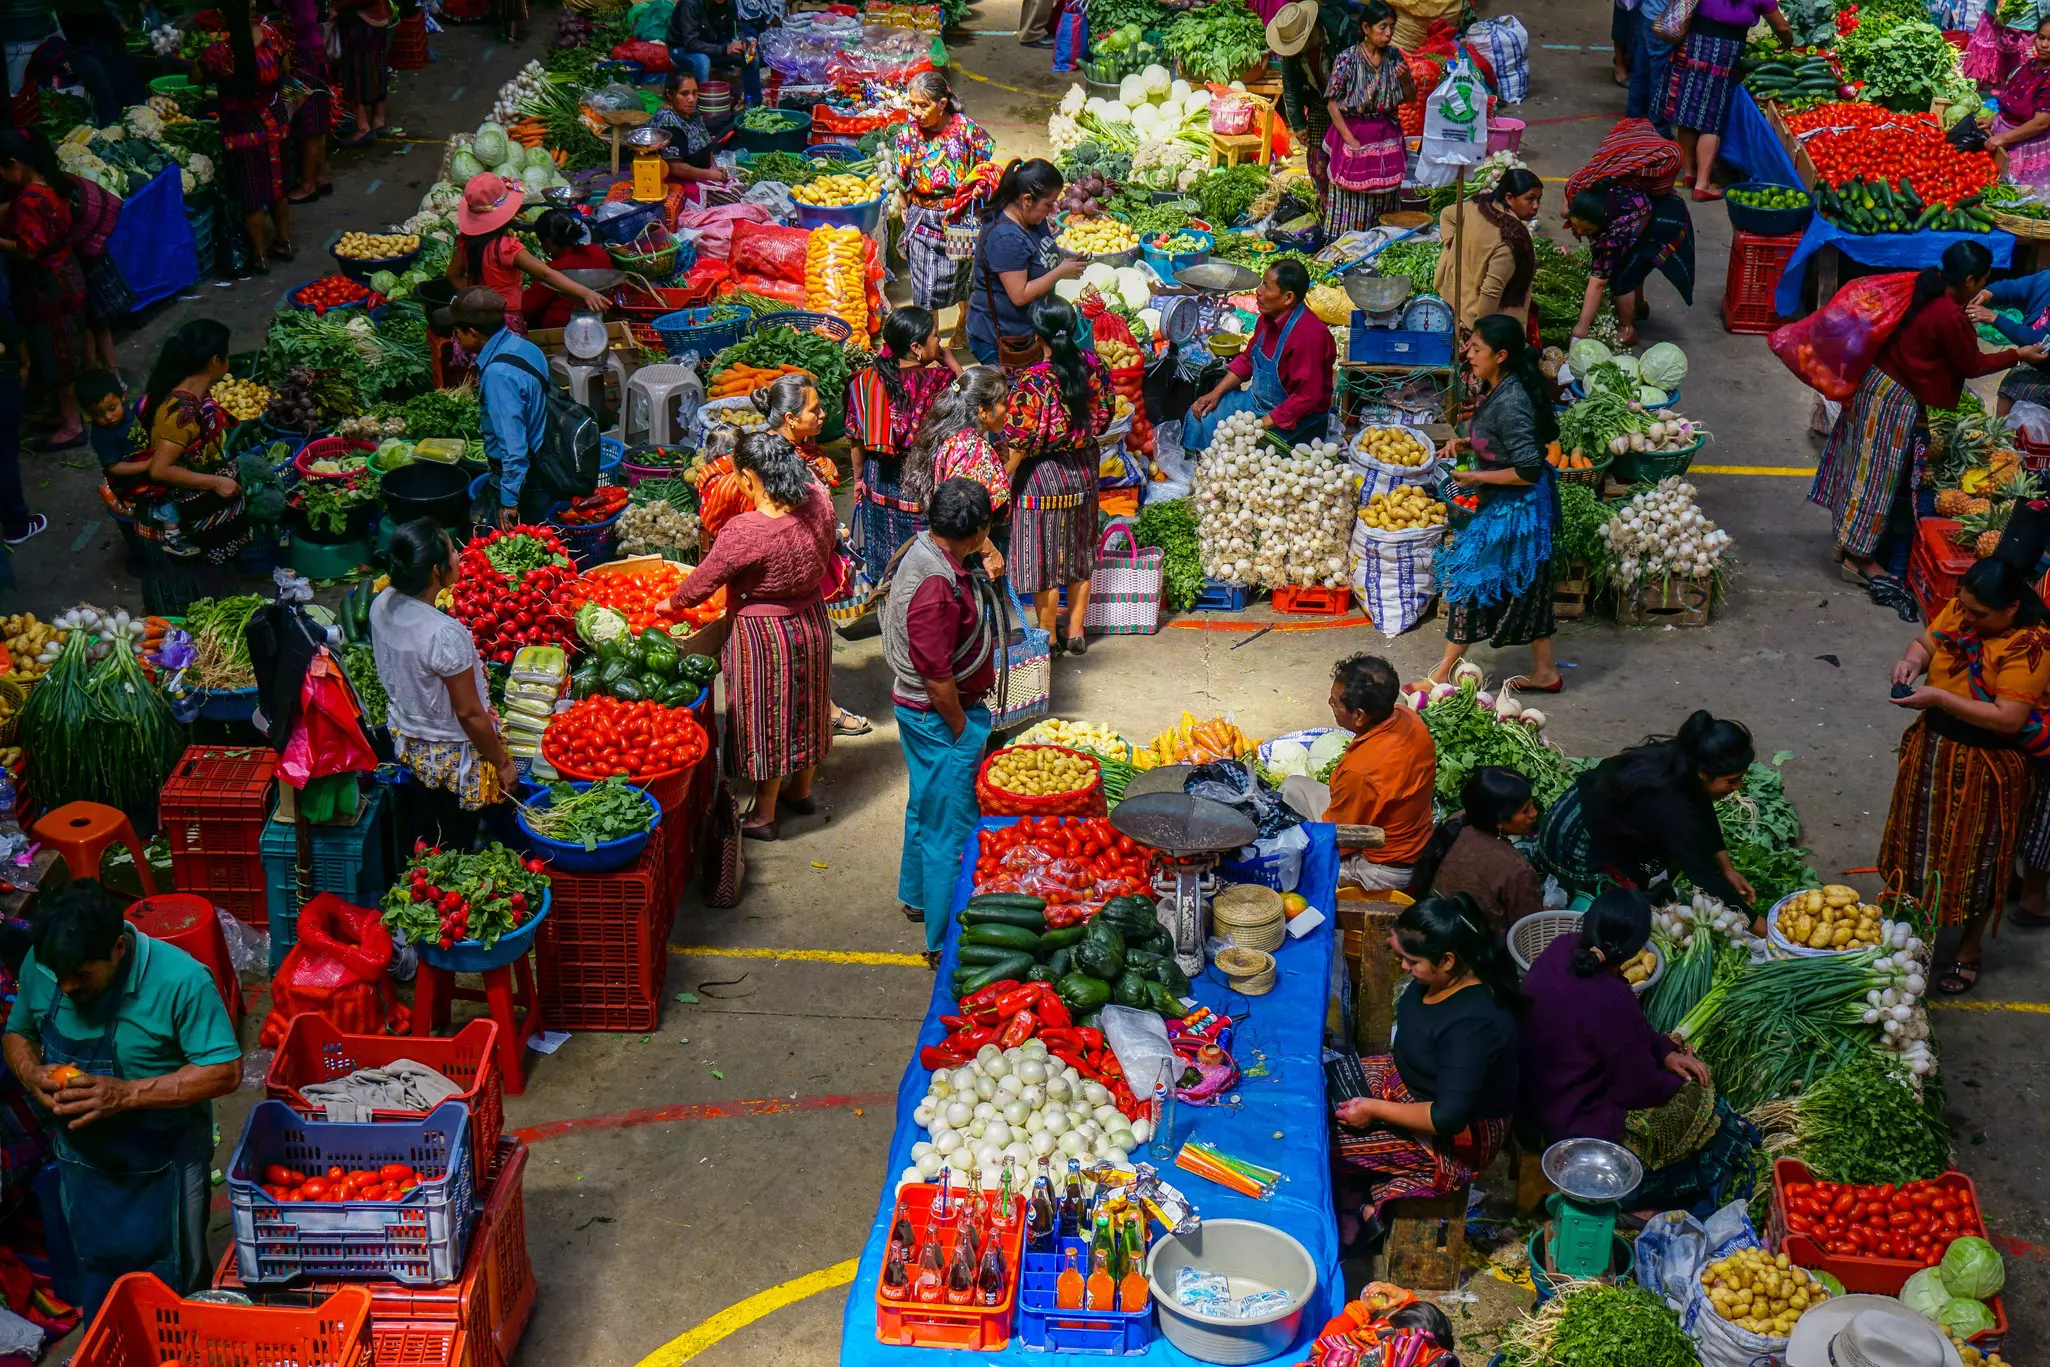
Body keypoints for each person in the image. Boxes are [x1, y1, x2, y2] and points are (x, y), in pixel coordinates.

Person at [2, 880, 240, 1316]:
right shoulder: (46, 963)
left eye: (82, 977)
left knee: (173, 1290)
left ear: (118, 948)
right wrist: (32, 1074)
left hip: (163, 1163)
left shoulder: (181, 980)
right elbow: (18, 1033)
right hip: (83, 1164)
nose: (68, 987)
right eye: (61, 977)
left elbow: (224, 1072)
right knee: (100, 1272)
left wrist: (126, 1094)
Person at [1811, 242, 2041, 619]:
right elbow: (1972, 364)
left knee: (1862, 467)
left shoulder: (1927, 283)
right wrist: (2019, 353)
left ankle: (1848, 540)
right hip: (1893, 398)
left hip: (1878, 384)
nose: (1984, 284)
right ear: (1969, 280)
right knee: (1877, 477)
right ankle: (1859, 560)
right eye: (1983, 279)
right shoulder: (1947, 316)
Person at [1881, 557, 2050, 995]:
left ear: (2011, 608)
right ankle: (1908, 936)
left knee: (1980, 856)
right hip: (1933, 750)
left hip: (1987, 765)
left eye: (1979, 614)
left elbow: (2008, 718)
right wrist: (1911, 662)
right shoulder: (1965, 608)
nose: (1967, 618)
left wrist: (1938, 696)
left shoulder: (2031, 645)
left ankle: (1968, 950)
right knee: (1915, 844)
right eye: (1965, 608)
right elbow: (1929, 642)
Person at [669, 433, 836, 840]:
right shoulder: (819, 498)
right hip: (813, 622)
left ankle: (763, 814)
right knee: (809, 709)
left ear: (747, 478)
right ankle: (801, 791)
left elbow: (702, 582)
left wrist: (670, 604)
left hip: (764, 635)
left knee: (767, 718)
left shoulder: (747, 530)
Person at [1331, 895, 1519, 1245]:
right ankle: (1356, 1187)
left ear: (1448, 960)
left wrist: (1373, 1109)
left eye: (1412, 961)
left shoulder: (1473, 1024)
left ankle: (1366, 1208)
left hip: (1453, 1136)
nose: (1403, 967)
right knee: (1316, 1091)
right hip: (1404, 1082)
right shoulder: (1444, 978)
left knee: (1328, 1142)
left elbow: (1448, 1118)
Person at [1518, 888, 1728, 1194]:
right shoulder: (1612, 998)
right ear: (1634, 949)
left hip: (1528, 1094)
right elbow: (1637, 1090)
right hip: (1569, 1118)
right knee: (1702, 1097)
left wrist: (1664, 1051)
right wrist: (1678, 1083)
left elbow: (1620, 1032)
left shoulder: (1561, 948)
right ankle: (1638, 1195)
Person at [888, 478, 1001, 964]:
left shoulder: (925, 549)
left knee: (925, 805)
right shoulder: (935, 588)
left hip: (917, 709)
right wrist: (960, 729)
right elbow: (937, 678)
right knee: (948, 831)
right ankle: (942, 941)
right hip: (937, 715)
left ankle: (915, 896)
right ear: (977, 531)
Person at [1428, 315, 1564, 691]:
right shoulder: (1498, 387)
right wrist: (1466, 443)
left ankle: (1440, 675)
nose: (1467, 354)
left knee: (1469, 580)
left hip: (1517, 509)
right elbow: (1504, 444)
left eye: (1476, 349)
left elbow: (1529, 469)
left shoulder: (1512, 401)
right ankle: (1546, 671)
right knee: (1530, 584)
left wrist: (1476, 477)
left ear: (1501, 355)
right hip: (1511, 504)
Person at [372, 520, 517, 850]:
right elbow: (468, 714)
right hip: (450, 752)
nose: (459, 554)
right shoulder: (443, 635)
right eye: (453, 550)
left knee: (430, 826)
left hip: (409, 739)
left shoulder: (382, 603)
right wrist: (503, 764)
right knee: (455, 836)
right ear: (436, 571)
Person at [1537, 709, 1758, 913]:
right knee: (1617, 909)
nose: (1737, 787)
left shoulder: (1684, 758)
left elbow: (1704, 810)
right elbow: (1704, 877)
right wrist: (1763, 929)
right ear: (1703, 773)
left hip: (1588, 805)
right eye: (1732, 780)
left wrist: (1727, 868)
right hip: (1571, 840)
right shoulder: (1672, 807)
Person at [758, 374, 865, 738]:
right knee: (807, 644)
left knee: (809, 643)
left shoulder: (796, 448)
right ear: (790, 418)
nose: (822, 416)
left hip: (805, 559)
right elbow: (786, 516)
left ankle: (814, 710)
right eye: (814, 410)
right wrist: (831, 532)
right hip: (791, 569)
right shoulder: (775, 458)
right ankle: (822, 714)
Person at [1003, 297, 1110, 653]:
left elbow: (1020, 440)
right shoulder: (1095, 366)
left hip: (1040, 478)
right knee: (1080, 552)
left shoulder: (1031, 381)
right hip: (1082, 471)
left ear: (1038, 336)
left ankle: (1047, 636)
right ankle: (1076, 631)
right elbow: (1105, 416)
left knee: (1040, 559)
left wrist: (1002, 476)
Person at [134, 320, 250, 608]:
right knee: (193, 590)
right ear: (215, 361)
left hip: (192, 503)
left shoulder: (195, 393)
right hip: (177, 511)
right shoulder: (180, 414)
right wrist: (216, 481)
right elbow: (159, 470)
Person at [847, 306, 962, 585]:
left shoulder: (866, 381)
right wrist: (953, 364)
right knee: (922, 549)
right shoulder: (940, 381)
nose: (940, 343)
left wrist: (858, 478)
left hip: (879, 480)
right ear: (916, 347)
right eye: (935, 337)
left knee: (884, 550)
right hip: (920, 479)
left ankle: (887, 601)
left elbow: (855, 436)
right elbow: (969, 398)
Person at [1184, 261, 1336, 452]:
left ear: (1288, 297)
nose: (1259, 291)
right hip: (1255, 403)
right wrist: (1215, 394)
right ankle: (1189, 468)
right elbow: (1247, 360)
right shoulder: (1266, 319)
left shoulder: (1309, 336)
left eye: (1266, 286)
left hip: (1295, 419)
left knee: (1239, 453)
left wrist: (1259, 426)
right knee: (1199, 414)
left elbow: (1307, 397)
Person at [892, 72, 995, 345]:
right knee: (924, 287)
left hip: (960, 216)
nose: (915, 112)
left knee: (964, 280)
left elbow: (984, 162)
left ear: (942, 103)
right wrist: (905, 208)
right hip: (923, 217)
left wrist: (976, 187)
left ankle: (963, 324)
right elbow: (902, 178)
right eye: (911, 104)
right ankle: (931, 339)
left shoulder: (965, 130)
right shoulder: (907, 135)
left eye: (923, 105)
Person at [0, 130, 88, 448]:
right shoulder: (52, 183)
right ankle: (61, 413)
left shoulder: (27, 200)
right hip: (67, 275)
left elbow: (28, 249)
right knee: (62, 349)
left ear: (13, 164)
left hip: (49, 286)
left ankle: (72, 425)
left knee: (57, 354)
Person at [1325, 653, 1437, 891]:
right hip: (1412, 839)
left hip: (1383, 867)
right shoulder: (1408, 717)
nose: (1330, 704)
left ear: (1358, 716)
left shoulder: (1362, 773)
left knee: (1295, 869)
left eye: (1335, 702)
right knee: (1295, 787)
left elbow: (1340, 839)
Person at [446, 174, 606, 335]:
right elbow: (546, 274)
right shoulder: (505, 247)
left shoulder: (465, 243)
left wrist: (474, 299)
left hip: (476, 319)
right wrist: (585, 292)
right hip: (504, 319)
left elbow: (453, 275)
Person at [1664, 0, 1793, 199]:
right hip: (1725, 51)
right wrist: (1788, 44)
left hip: (1693, 42)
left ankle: (1690, 173)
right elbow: (1782, 27)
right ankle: (1703, 185)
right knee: (1712, 119)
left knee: (1689, 109)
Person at [199, 4, 293, 274]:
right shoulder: (272, 36)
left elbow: (195, 76)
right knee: (277, 185)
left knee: (251, 193)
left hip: (241, 129)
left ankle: (259, 255)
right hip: (274, 122)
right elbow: (285, 68)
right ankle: (284, 242)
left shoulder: (220, 51)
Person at [451, 288, 553, 527]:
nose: (456, 339)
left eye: (457, 334)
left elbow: (514, 448)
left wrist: (509, 505)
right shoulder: (522, 346)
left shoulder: (499, 375)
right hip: (541, 461)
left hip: (525, 481)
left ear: (473, 333)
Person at [967, 159, 1084, 369]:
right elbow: (1019, 295)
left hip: (1025, 330)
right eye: (1048, 204)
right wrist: (1059, 272)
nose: (1051, 210)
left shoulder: (1031, 221)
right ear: (1027, 200)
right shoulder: (1006, 238)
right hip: (1003, 339)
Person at [1406, 766, 1544, 933]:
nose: (1534, 813)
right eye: (1525, 810)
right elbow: (1529, 931)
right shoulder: (1518, 870)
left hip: (1435, 925)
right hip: (1477, 950)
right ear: (1499, 821)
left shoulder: (1459, 819)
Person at [1323, 0, 1414, 236]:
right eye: (1382, 27)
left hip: (1386, 133)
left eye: (1392, 27)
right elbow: (1333, 102)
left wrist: (1404, 80)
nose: (1388, 33)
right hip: (1355, 132)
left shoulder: (1394, 56)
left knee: (1385, 196)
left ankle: (1381, 242)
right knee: (1352, 198)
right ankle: (1346, 244)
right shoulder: (1348, 59)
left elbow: (1410, 97)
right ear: (1366, 28)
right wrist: (1349, 138)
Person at [1565, 183, 1694, 346]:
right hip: (1651, 213)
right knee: (1632, 263)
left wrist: (1581, 328)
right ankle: (1639, 307)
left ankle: (1627, 329)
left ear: (1602, 222)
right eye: (1575, 226)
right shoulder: (1596, 196)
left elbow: (1598, 283)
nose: (1580, 233)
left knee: (1621, 277)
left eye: (1588, 230)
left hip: (1666, 223)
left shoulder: (1612, 234)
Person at [903, 364, 1014, 547]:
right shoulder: (971, 448)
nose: (1008, 410)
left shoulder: (957, 438)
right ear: (983, 411)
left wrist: (996, 464)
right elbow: (963, 510)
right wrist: (988, 552)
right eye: (1003, 403)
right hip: (975, 548)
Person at [1434, 169, 1546, 337]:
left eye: (1538, 199)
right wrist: (1482, 334)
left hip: (1453, 298)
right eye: (1530, 199)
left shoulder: (1476, 206)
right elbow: (1491, 293)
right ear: (1509, 198)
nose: (1536, 206)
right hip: (1478, 319)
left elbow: (1446, 215)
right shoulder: (1511, 240)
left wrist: (1452, 247)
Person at [1272, 1, 1352, 203]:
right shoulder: (1292, 55)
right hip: (1318, 102)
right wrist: (1298, 124)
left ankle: (1345, 203)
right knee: (1318, 162)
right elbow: (1291, 87)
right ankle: (1327, 205)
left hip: (1349, 103)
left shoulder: (1341, 32)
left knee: (1348, 157)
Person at [65, 169, 129, 375]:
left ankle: (108, 374)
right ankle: (103, 374)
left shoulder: (48, 189)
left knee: (94, 320)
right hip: (77, 257)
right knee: (91, 322)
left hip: (77, 258)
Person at [81, 369, 146, 564]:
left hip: (145, 472)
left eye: (112, 408)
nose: (108, 417)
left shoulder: (129, 412)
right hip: (127, 486)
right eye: (99, 414)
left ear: (123, 397)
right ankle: (145, 558)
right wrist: (149, 465)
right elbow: (114, 468)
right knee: (138, 521)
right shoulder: (103, 436)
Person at [1967, 268, 2050, 415]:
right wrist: (1988, 293)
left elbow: (2041, 342)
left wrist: (1995, 318)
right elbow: (2012, 287)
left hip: (2046, 363)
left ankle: (2009, 435)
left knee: (2014, 386)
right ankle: (2003, 433)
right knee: (2011, 384)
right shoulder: (2046, 279)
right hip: (2040, 361)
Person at [520, 208, 614, 333]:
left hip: (563, 330)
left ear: (548, 242)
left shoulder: (553, 270)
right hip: (601, 324)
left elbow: (528, 308)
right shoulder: (597, 252)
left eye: (542, 242)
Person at [650, 71, 735, 203]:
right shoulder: (668, 122)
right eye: (684, 94)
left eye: (694, 93)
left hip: (701, 174)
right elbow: (675, 167)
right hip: (681, 183)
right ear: (669, 94)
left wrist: (713, 167)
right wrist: (709, 174)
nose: (691, 99)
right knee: (731, 200)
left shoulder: (692, 113)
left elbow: (705, 141)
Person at [1990, 16, 2050, 191]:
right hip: (2006, 139)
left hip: (2027, 146)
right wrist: (1994, 120)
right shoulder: (2030, 66)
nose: (2044, 45)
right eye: (2041, 37)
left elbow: (2042, 123)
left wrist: (2003, 138)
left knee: (2016, 192)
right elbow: (2012, 102)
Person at [281, 0, 332, 202]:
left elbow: (305, 20)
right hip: (310, 55)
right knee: (317, 123)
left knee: (310, 125)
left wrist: (282, 27)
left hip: (306, 60)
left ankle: (308, 185)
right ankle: (321, 177)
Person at [332, 0, 392, 147]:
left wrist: (336, 7)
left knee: (355, 70)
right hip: (380, 15)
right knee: (377, 65)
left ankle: (362, 126)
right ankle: (379, 119)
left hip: (362, 20)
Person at [665, 0, 746, 88]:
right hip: (682, 48)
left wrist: (742, 40)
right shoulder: (690, 3)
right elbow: (691, 42)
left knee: (746, 55)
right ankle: (701, 99)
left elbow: (735, 27)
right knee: (703, 61)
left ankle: (752, 99)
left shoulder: (729, 3)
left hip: (713, 44)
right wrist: (723, 49)